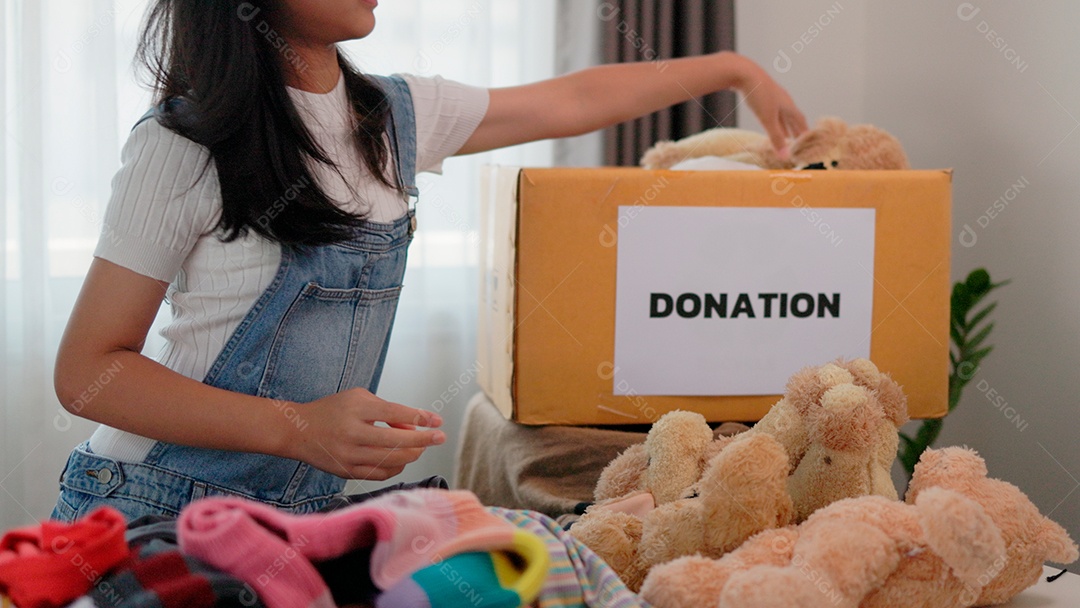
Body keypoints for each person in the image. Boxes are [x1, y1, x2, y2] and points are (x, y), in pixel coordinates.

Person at [50, 0, 806, 523]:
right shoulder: (180, 144)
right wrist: (296, 428)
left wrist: (735, 69)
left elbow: (574, 99)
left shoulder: (397, 115)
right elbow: (88, 372)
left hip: (296, 518)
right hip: (149, 505)